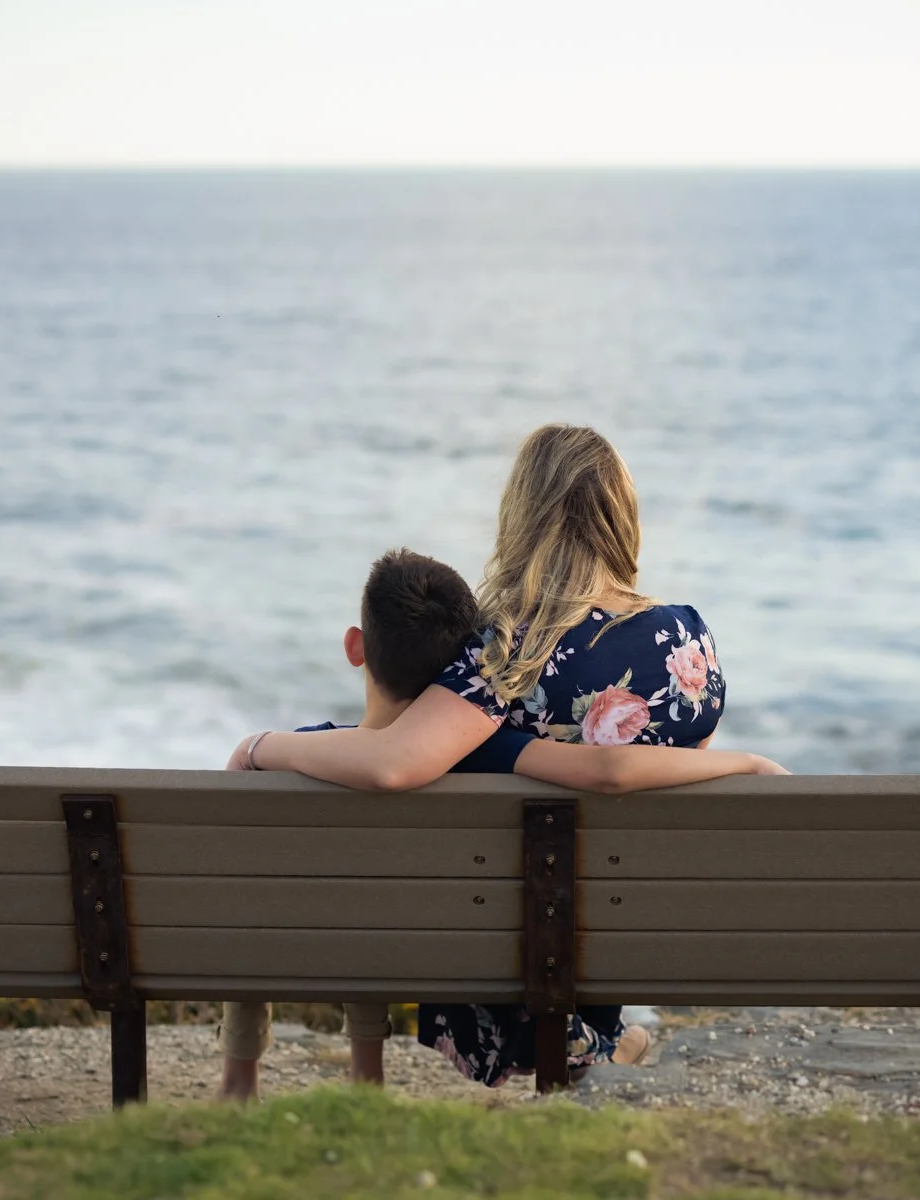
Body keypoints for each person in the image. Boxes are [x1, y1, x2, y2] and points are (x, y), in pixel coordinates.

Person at [231, 424, 786, 1087]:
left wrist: (262, 745)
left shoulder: (505, 649)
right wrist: (746, 762)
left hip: (502, 946)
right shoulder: (688, 639)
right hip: (638, 935)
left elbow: (391, 764)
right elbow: (663, 773)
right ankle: (600, 1043)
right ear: (621, 517)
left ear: (521, 513)